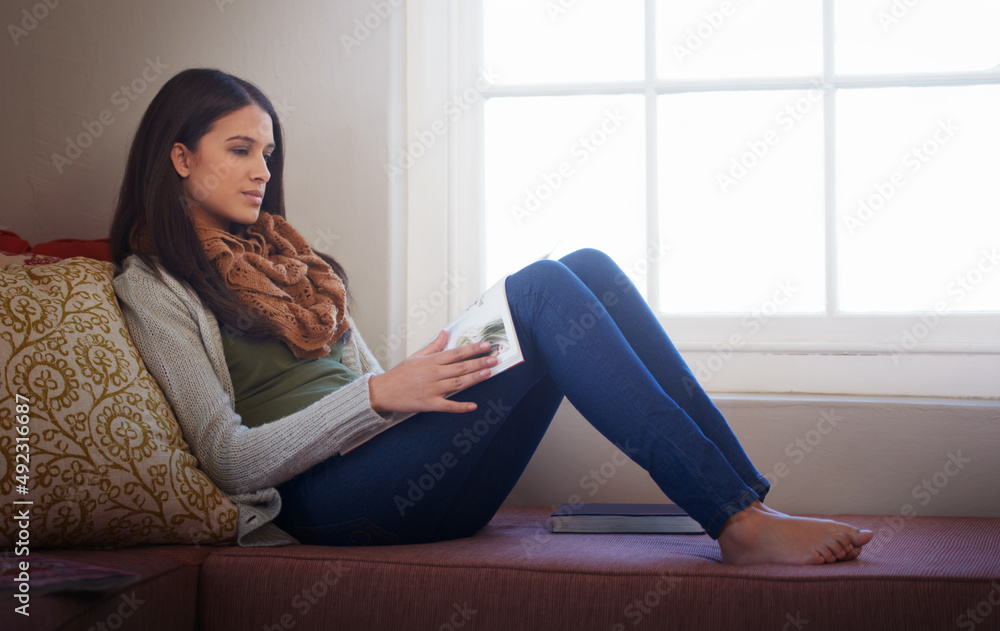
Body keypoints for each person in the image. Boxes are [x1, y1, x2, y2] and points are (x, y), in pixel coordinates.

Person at [110, 68, 873, 565]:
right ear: (180, 158)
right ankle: (736, 520)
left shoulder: (290, 259)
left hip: (392, 463)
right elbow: (229, 458)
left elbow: (368, 382)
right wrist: (381, 396)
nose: (262, 172)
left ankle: (745, 498)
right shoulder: (153, 283)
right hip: (319, 503)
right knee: (540, 288)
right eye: (240, 149)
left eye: (268, 154)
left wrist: (402, 387)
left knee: (589, 271)